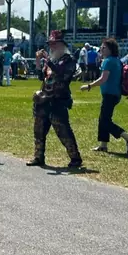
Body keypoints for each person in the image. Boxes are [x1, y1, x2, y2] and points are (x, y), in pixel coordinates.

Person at [27, 30, 83, 169]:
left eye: (54, 43)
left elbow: (61, 73)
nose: (51, 46)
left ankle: (75, 158)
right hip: (44, 99)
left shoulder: (68, 59)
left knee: (63, 130)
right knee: (39, 130)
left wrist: (47, 60)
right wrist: (39, 62)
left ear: (61, 44)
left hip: (58, 100)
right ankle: (38, 157)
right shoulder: (52, 59)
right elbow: (42, 77)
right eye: (50, 43)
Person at [81, 38, 128, 154]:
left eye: (104, 47)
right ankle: (103, 145)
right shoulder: (116, 60)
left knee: (105, 121)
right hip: (115, 94)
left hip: (110, 94)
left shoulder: (108, 61)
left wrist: (89, 86)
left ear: (110, 49)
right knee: (103, 119)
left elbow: (103, 79)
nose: (101, 49)